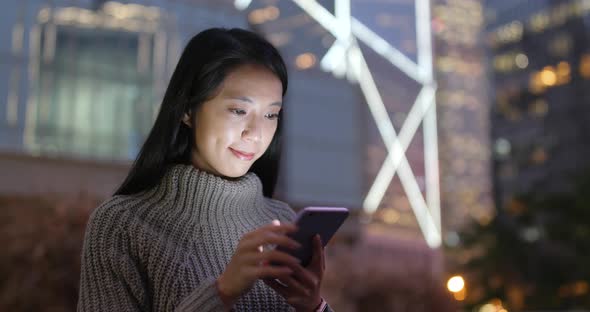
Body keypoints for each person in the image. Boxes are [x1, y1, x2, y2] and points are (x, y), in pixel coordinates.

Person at [77, 28, 333, 312]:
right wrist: (222, 292)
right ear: (187, 109)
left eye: (271, 115)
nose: (256, 134)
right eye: (238, 111)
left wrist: (314, 307)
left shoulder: (281, 221)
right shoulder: (122, 225)